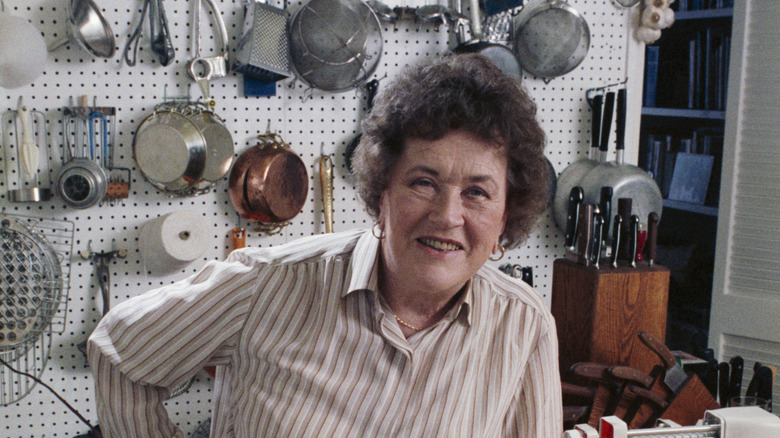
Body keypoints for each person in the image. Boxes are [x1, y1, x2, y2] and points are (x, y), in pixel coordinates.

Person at [88, 53, 562, 438]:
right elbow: (120, 353)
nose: (447, 215)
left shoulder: (522, 325)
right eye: (423, 182)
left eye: (477, 192)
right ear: (383, 194)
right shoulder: (268, 285)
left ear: (506, 214)